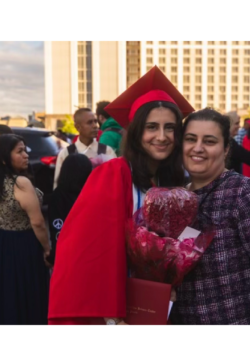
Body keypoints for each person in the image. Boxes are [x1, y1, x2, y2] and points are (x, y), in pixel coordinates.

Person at [48, 66, 194, 327]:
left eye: (170, 128)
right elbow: (86, 250)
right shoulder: (114, 173)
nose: (162, 137)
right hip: (117, 308)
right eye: (152, 127)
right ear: (136, 132)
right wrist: (111, 318)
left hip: (158, 304)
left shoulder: (173, 180)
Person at [171, 109, 250, 326]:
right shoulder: (176, 196)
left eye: (209, 141)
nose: (198, 148)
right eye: (190, 139)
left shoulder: (244, 193)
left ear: (226, 149)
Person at [0, 135, 51, 326]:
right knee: (25, 293)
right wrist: (47, 248)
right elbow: (37, 222)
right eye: (19, 151)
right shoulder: (20, 182)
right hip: (23, 245)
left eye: (25, 150)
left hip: (0, 243)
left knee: (5, 292)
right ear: (4, 157)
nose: (26, 155)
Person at [54, 108, 116, 189]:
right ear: (78, 127)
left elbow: (115, 182)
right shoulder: (66, 153)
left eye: (95, 121)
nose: (95, 126)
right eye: (90, 122)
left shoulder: (107, 151)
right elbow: (58, 186)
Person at [48, 154, 93, 266]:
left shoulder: (57, 195)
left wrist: (53, 256)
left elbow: (56, 229)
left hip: (66, 255)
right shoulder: (91, 194)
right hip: (89, 253)